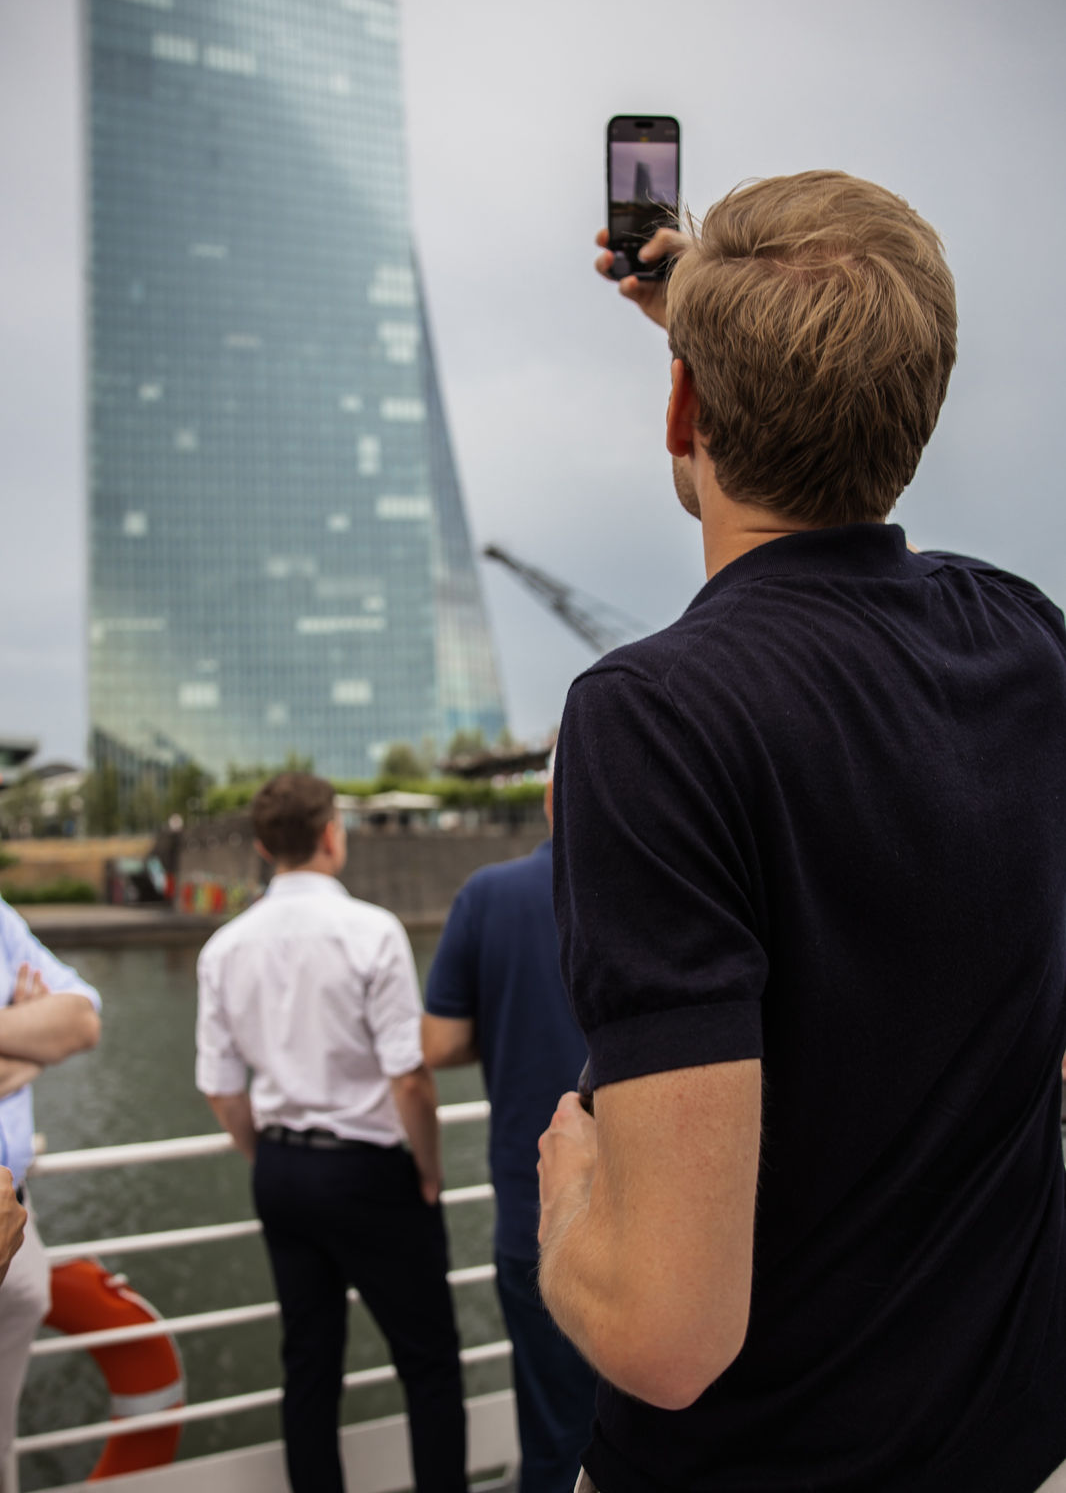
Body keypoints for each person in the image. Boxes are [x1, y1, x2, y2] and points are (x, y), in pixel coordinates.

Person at [537, 173, 1066, 1493]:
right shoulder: (1020, 639)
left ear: (680, 407)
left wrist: (564, 1200)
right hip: (1014, 1443)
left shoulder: (649, 719)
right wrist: (718, 333)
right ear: (920, 413)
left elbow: (665, 1335)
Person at [195, 772, 466, 1493]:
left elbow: (221, 1089)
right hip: (369, 1171)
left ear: (261, 847)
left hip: (282, 1172)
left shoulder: (223, 948)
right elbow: (408, 1078)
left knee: (309, 1368)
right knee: (429, 1361)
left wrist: (270, 1156)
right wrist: (430, 1171)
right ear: (331, 836)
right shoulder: (372, 931)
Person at [422, 751, 596, 1493]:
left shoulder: (488, 895)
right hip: (674, 1215)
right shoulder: (673, 880)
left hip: (538, 1214)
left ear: (550, 799)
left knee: (554, 1435)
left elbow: (437, 1044)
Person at [0, 896, 102, 1466]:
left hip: (19, 1225)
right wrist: (29, 1041)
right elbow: (55, 1035)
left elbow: (82, 1021)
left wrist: (47, 1038)